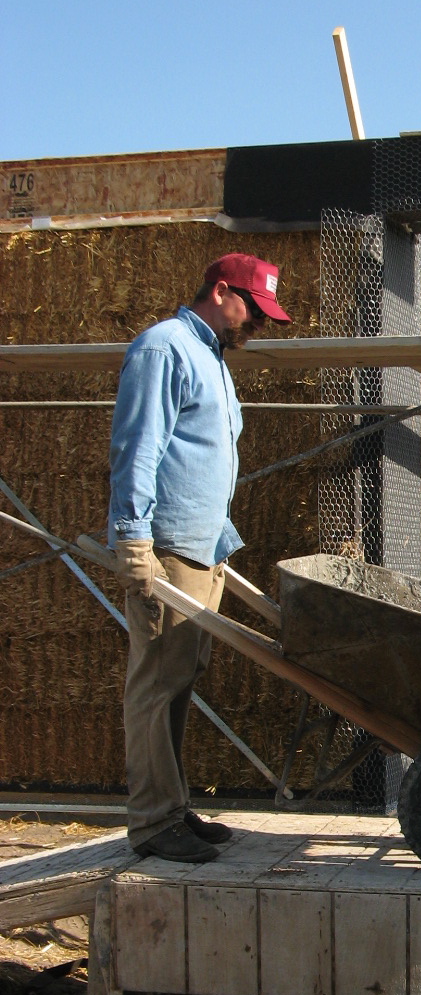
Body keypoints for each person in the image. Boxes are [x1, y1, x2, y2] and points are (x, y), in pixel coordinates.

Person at [108, 252, 291, 863]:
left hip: (203, 543)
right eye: (253, 310)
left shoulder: (210, 356)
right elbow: (139, 447)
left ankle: (172, 805)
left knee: (179, 680)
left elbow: (203, 457)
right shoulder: (164, 350)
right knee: (156, 683)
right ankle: (152, 822)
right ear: (220, 290)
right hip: (166, 545)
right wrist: (133, 540)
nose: (257, 325)